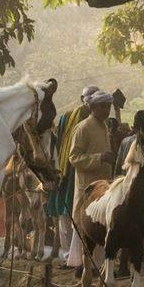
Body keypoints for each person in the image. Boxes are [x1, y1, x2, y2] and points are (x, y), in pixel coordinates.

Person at [46, 85, 98, 265]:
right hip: (67, 170)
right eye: (88, 97)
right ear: (82, 98)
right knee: (65, 212)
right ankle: (68, 254)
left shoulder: (101, 121)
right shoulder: (67, 118)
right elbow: (58, 145)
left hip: (90, 172)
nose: (91, 100)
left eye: (94, 97)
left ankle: (86, 256)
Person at [68, 90, 116, 268]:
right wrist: (99, 158)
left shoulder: (104, 126)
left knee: (101, 226)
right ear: (93, 107)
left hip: (103, 186)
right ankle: (78, 265)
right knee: (84, 226)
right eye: (103, 106)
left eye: (108, 106)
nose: (106, 110)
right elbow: (73, 158)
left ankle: (98, 266)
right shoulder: (83, 127)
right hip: (87, 186)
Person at [115, 110, 144, 178]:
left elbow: (117, 170)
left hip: (125, 183)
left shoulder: (125, 141)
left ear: (134, 126)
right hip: (141, 185)